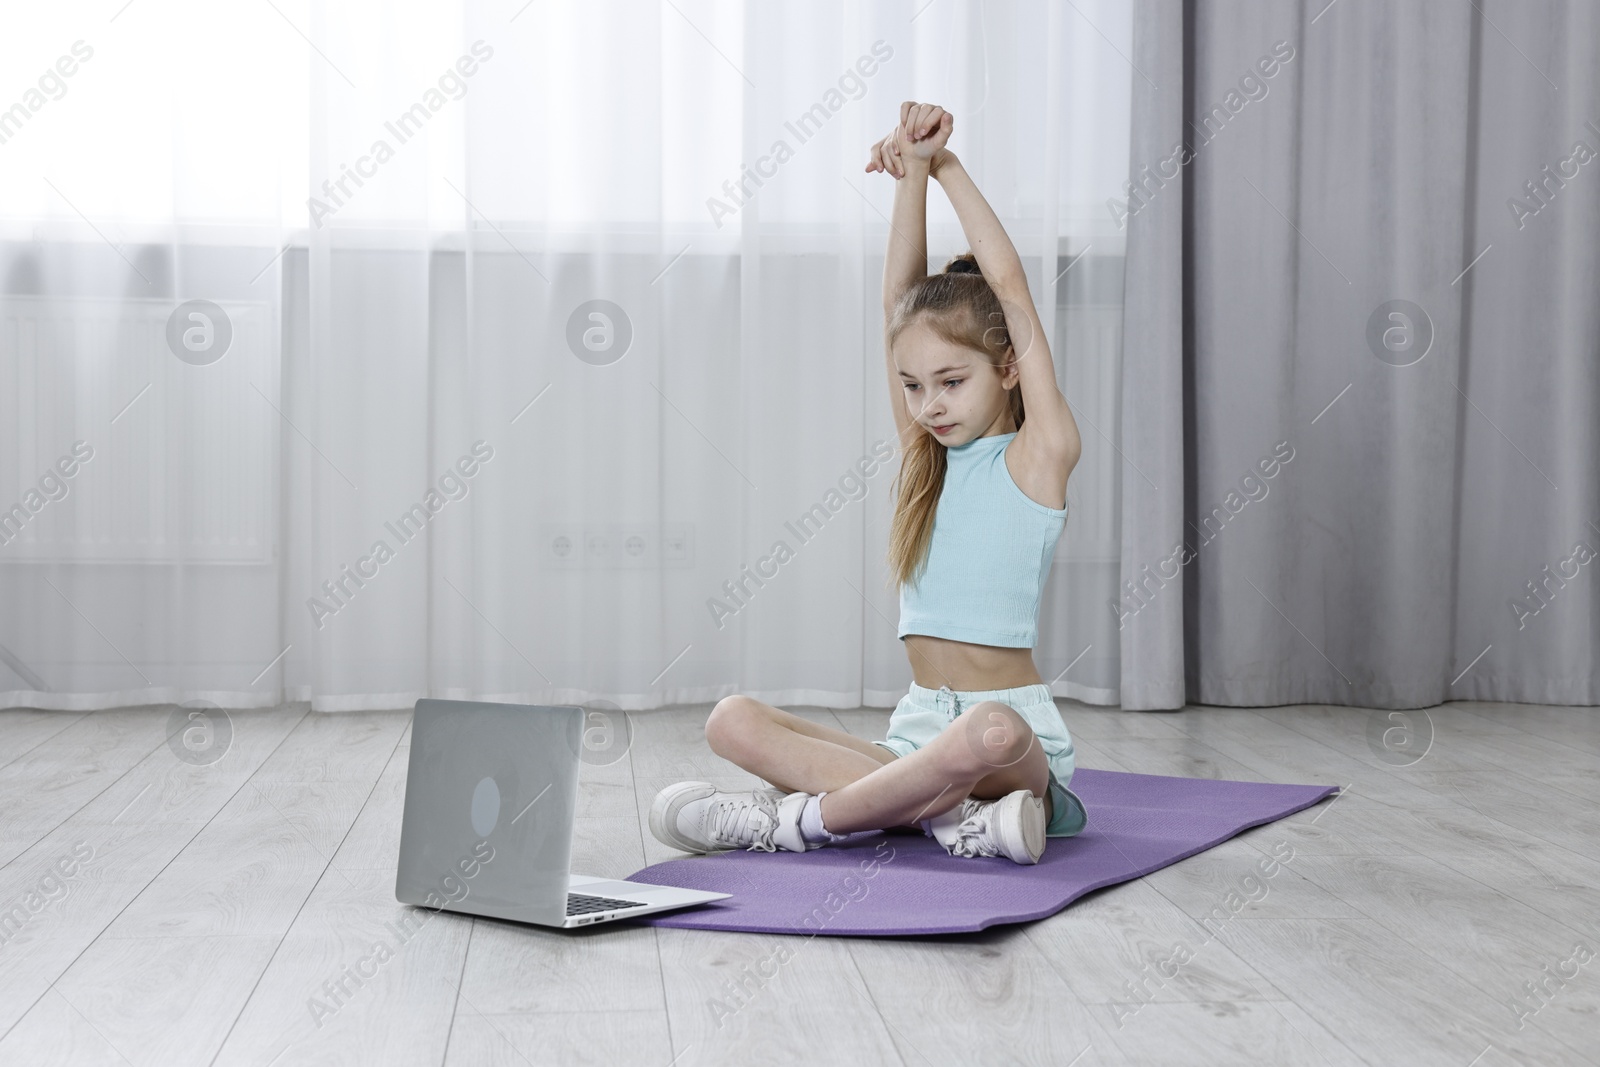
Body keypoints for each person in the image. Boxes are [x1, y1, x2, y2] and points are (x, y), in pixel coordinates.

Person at [649, 102, 1087, 865]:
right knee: (731, 719)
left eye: (952, 381)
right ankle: (946, 818)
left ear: (1008, 367)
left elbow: (1011, 289)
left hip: (1010, 740)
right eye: (914, 386)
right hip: (915, 736)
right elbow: (898, 304)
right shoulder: (928, 460)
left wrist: (942, 163)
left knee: (990, 731)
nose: (930, 405)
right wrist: (907, 173)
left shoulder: (1038, 455)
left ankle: (800, 822)